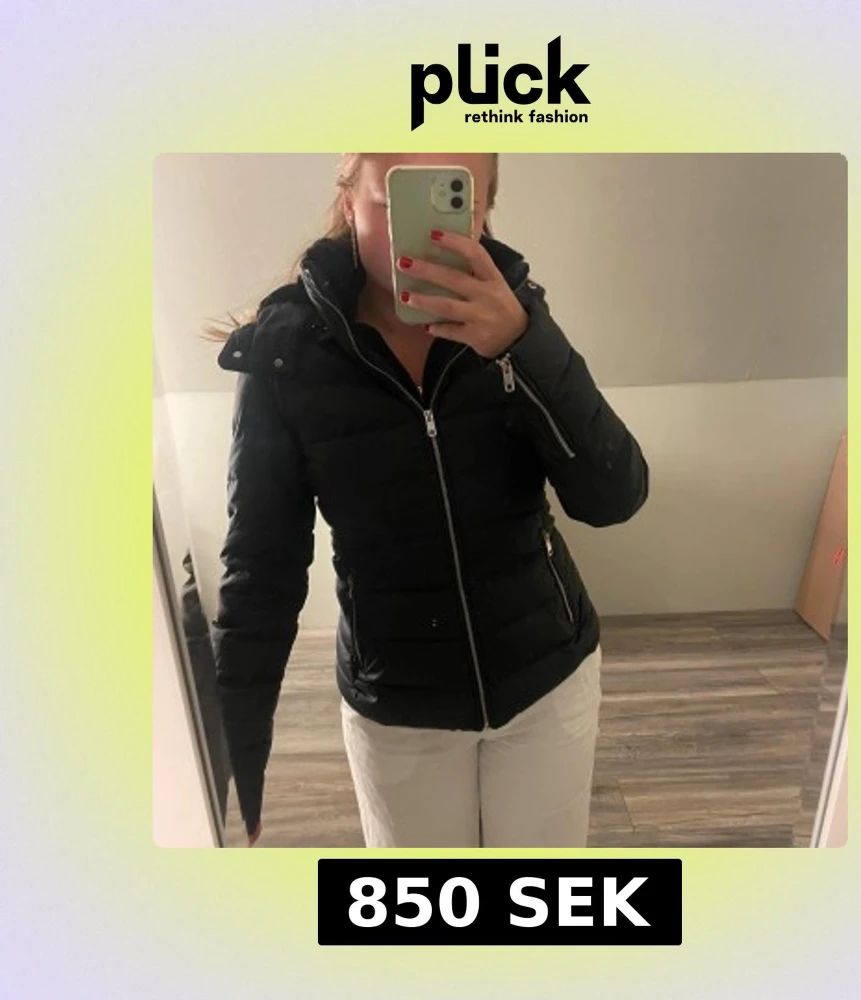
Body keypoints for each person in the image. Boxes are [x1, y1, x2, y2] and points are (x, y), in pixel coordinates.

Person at [206, 152, 649, 848]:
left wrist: (524, 346)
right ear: (349, 201)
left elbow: (614, 494)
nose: (424, 232)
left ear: (483, 211)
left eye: (455, 199)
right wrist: (239, 748)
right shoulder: (286, 355)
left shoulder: (519, 320)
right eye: (394, 200)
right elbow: (261, 567)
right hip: (399, 710)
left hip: (548, 680)